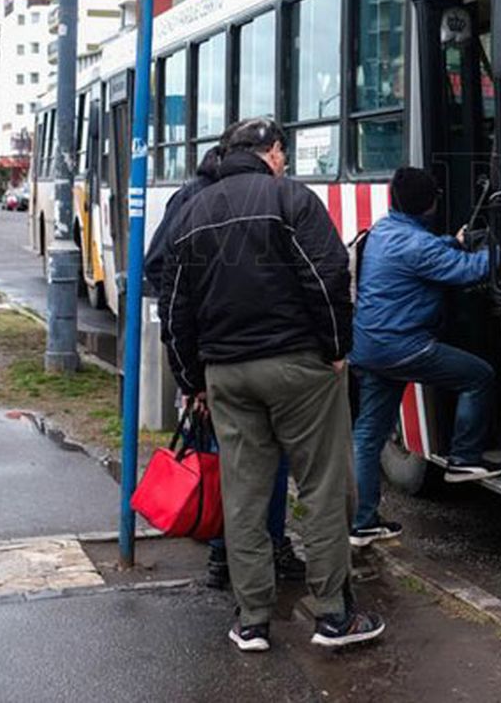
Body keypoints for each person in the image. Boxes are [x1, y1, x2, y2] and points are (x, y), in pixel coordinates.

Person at [160, 117, 382, 653]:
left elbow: (175, 308)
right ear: (271, 152)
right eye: (282, 152)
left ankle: (252, 619)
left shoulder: (191, 213)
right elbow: (328, 277)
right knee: (322, 489)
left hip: (226, 377)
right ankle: (333, 616)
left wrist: (193, 380)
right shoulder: (291, 201)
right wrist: (335, 349)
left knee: (244, 494)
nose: (284, 161)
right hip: (298, 367)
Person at [145, 143, 303, 592]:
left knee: (248, 459)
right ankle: (235, 553)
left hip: (226, 356)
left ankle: (244, 551)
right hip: (218, 359)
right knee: (242, 460)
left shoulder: (216, 198)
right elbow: (162, 270)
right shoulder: (199, 199)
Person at [348, 166, 501, 548]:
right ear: (429, 204)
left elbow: (428, 251)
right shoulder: (418, 245)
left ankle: (362, 523)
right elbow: (472, 271)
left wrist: (456, 240)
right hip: (403, 347)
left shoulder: (387, 230)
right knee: (478, 377)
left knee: (368, 436)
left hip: (368, 346)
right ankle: (464, 457)